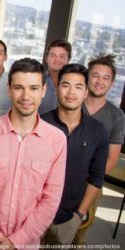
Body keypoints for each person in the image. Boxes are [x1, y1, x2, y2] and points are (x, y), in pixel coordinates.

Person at [0, 58, 67, 250]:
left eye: (34, 88)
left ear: (43, 90)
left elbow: (50, 200)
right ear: (9, 89)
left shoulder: (57, 140)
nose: (26, 96)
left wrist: (15, 241)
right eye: (19, 87)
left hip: (25, 244)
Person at [42, 64, 108, 248]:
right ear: (57, 89)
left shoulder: (97, 131)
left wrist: (79, 215)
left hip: (68, 216)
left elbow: (97, 178)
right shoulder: (41, 123)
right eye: (66, 85)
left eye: (78, 87)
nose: (71, 92)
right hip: (35, 212)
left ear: (86, 92)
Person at [75, 54, 125, 246]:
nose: (99, 81)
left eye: (106, 78)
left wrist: (85, 180)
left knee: (77, 235)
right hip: (59, 180)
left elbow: (111, 160)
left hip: (91, 185)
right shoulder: (72, 103)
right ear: (87, 77)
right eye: (95, 75)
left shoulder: (117, 116)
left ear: (112, 83)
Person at [39, 39, 72, 114]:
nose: (57, 59)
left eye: (62, 56)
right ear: (47, 58)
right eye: (53, 55)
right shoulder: (37, 80)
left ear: (68, 60)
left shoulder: (75, 84)